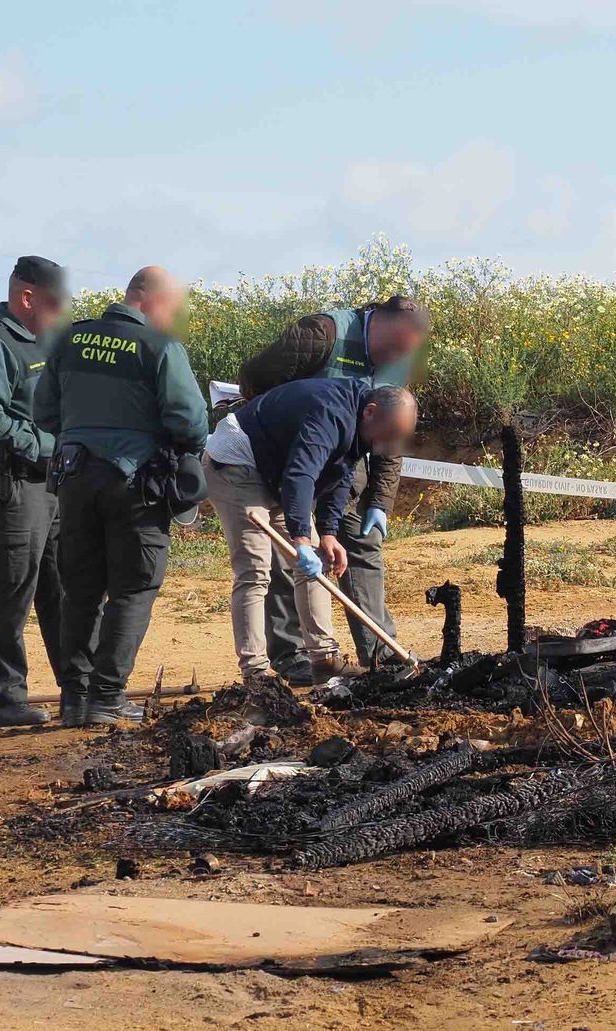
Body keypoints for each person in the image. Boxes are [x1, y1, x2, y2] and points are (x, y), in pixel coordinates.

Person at [34, 266, 208, 726]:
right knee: (134, 586)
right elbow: (190, 422)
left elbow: (43, 412)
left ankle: (74, 699)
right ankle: (107, 698)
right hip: (136, 485)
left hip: (73, 480)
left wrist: (83, 433)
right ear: (150, 300)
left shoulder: (69, 341)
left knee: (81, 588)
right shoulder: (159, 347)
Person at [237, 295, 429, 674]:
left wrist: (381, 499)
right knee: (291, 554)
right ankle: (293, 656)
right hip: (296, 464)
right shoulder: (321, 333)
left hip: (346, 470)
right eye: (392, 348)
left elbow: (392, 428)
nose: (395, 359)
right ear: (378, 323)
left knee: (361, 549)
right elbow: (255, 379)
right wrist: (284, 442)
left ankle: (380, 657)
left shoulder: (398, 360)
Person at [203, 380, 417, 685]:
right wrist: (300, 539)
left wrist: (328, 533)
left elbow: (339, 474)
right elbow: (301, 474)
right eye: (391, 434)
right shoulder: (329, 415)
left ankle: (324, 660)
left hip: (272, 471)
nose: (389, 444)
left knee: (318, 561)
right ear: (371, 412)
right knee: (255, 569)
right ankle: (256, 674)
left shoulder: (363, 423)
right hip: (236, 464)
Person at [0, 256, 69, 727]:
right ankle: (9, 699)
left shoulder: (46, 341)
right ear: (27, 298)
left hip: (57, 485)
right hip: (17, 483)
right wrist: (46, 445)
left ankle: (80, 689)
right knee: (14, 591)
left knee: (65, 589)